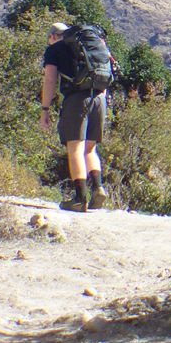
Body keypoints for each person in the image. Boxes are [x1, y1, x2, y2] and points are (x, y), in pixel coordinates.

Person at [41, 21, 109, 212]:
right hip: (99, 97)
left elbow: (50, 79)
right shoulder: (91, 45)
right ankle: (98, 188)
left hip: (76, 99)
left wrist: (45, 109)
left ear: (53, 36)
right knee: (90, 149)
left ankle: (80, 198)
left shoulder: (55, 49)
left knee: (75, 149)